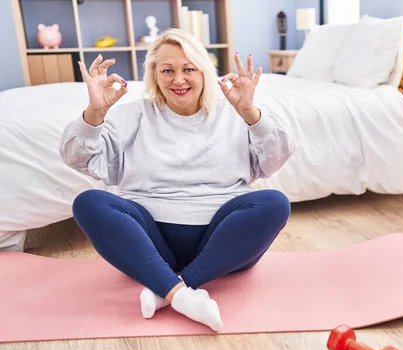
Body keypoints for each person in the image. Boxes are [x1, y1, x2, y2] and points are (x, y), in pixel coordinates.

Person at [59, 28, 295, 332]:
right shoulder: (132, 116)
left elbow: (275, 159)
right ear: (154, 75)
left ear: (204, 72)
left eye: (188, 69)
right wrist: (94, 113)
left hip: (222, 241)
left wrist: (251, 112)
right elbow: (78, 158)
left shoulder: (235, 111)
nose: (178, 80)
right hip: (149, 241)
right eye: (167, 70)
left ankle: (168, 289)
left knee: (274, 202)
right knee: (88, 202)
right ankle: (182, 296)